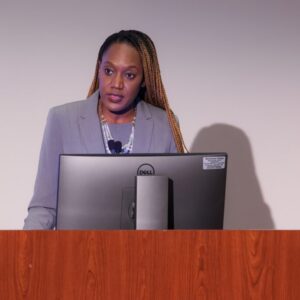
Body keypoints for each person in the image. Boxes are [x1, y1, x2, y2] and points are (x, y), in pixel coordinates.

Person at [23, 29, 185, 229]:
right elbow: (44, 207)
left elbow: (178, 212)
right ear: (98, 69)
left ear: (143, 79)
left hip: (145, 254)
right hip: (79, 253)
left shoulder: (165, 124)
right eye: (109, 71)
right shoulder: (62, 120)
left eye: (129, 75)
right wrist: (26, 255)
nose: (116, 84)